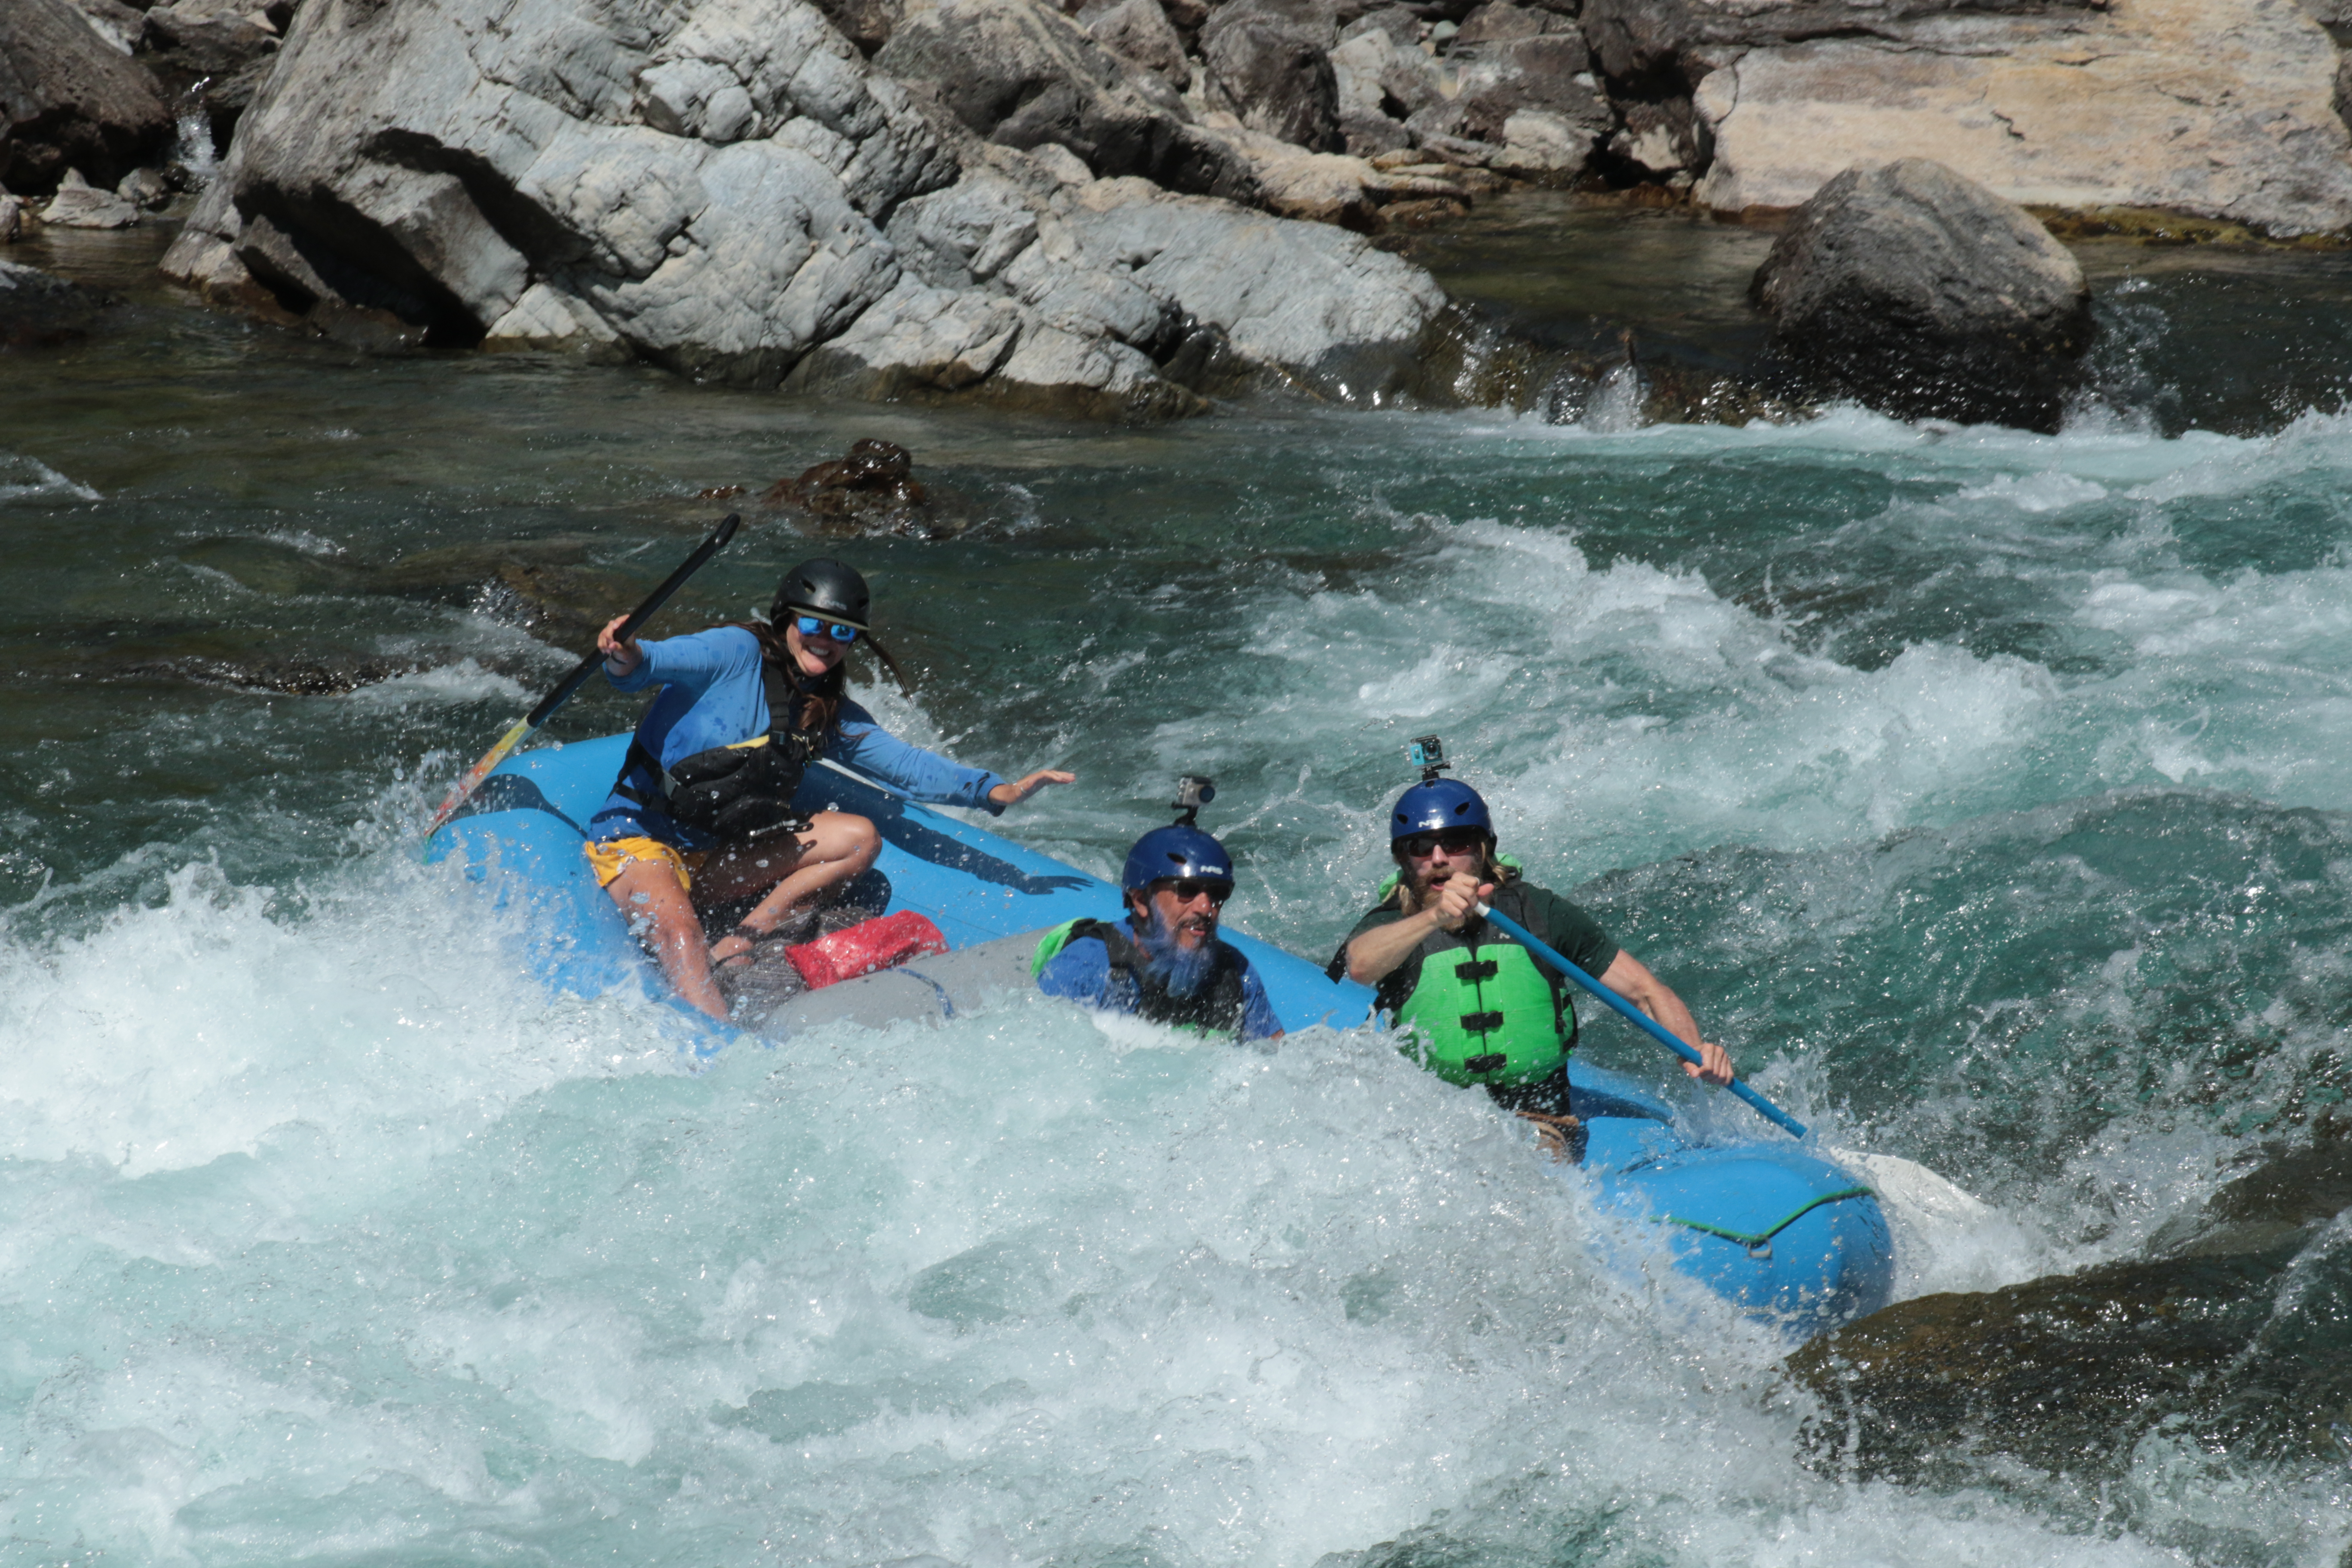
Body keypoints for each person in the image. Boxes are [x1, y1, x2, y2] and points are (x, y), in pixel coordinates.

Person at [586, 557, 1073, 1019]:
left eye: (843, 632)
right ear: (786, 619)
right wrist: (627, 654)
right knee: (680, 935)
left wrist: (995, 792)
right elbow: (649, 664)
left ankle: (742, 938)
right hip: (640, 840)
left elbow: (905, 766)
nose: (826, 640)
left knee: (858, 838)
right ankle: (716, 1044)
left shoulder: (825, 709)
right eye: (814, 624)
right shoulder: (733, 653)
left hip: (719, 859)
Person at [1330, 770, 1731, 1131]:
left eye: (1455, 843)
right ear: (1403, 858)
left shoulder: (1539, 914)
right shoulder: (1393, 923)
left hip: (1538, 1112)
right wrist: (1434, 917)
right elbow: (1361, 966)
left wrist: (1694, 1050)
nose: (1438, 859)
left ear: (1482, 849)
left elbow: (1646, 992)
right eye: (1420, 847)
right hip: (1433, 1115)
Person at [1034, 821, 1283, 1042]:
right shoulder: (1084, 967)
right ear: (1141, 900)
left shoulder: (1236, 972)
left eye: (1218, 893)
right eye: (1187, 890)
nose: (1206, 908)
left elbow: (1275, 1058)